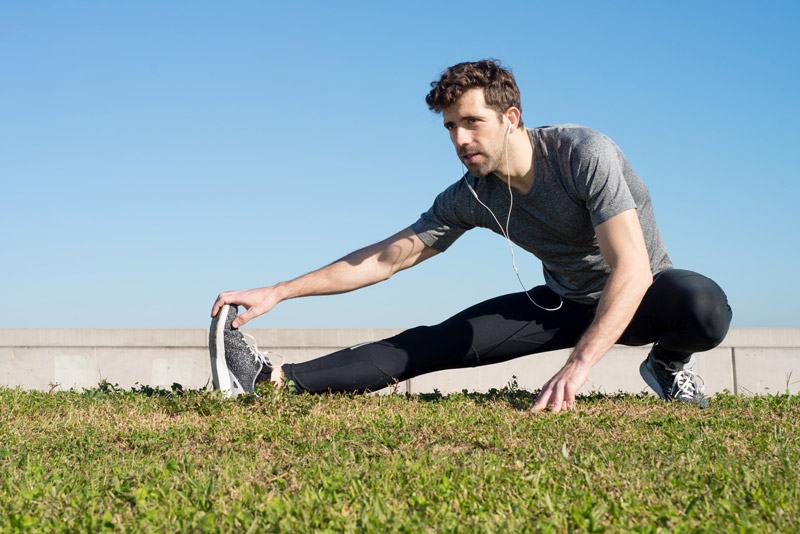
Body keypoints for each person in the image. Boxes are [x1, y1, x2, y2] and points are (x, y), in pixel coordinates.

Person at [209, 59, 732, 411]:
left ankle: (666, 364)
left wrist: (578, 365)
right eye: (450, 128)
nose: (460, 140)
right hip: (565, 303)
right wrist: (279, 291)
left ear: (511, 117)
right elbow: (385, 259)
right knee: (434, 343)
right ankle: (274, 380)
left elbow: (632, 267)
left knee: (705, 306)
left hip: (644, 295)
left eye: (471, 122)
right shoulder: (472, 193)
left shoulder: (580, 154)